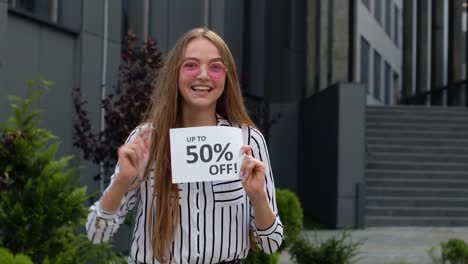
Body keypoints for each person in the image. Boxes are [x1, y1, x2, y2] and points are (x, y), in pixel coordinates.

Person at [86, 27, 283, 264]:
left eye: (215, 67)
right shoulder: (147, 139)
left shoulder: (248, 140)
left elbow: (270, 243)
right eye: (191, 65)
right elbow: (97, 234)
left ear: (227, 77)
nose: (203, 75)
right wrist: (121, 181)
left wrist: (258, 196)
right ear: (175, 74)